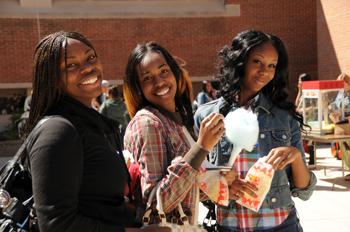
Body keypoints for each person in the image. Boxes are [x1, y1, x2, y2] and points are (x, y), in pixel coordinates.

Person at [26, 31, 169, 232]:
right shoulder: (58, 131)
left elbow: (99, 204)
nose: (88, 68)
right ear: (52, 77)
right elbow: (56, 225)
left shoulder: (89, 124)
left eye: (91, 57)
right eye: (71, 65)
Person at [194, 30, 317, 231]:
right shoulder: (206, 116)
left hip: (281, 225)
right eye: (257, 62)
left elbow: (304, 189)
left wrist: (295, 156)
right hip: (229, 225)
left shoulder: (284, 116)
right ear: (240, 61)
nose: (264, 71)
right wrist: (222, 187)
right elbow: (200, 181)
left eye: (271, 66)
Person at [123, 42, 228, 225]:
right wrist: (201, 147)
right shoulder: (148, 124)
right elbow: (155, 206)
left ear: (174, 72)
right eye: (147, 78)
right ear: (138, 87)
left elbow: (184, 189)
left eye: (164, 71)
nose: (159, 82)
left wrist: (223, 182)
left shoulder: (176, 119)